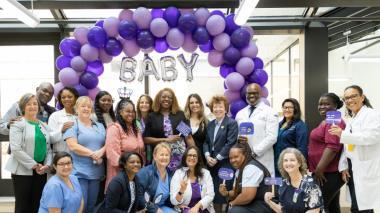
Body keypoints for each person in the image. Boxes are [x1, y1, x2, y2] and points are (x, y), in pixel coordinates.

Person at [329, 85, 380, 212]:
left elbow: (371, 137)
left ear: (362, 97)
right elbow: (348, 146)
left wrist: (342, 134)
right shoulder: (352, 118)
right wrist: (344, 165)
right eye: (346, 98)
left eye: (353, 96)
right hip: (353, 167)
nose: (350, 100)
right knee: (357, 206)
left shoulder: (372, 115)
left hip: (365, 167)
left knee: (362, 207)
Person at [5, 93, 54, 213]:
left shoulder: (43, 125)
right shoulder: (17, 123)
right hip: (22, 170)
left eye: (35, 103)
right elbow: (16, 149)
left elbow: (48, 148)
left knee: (37, 204)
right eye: (29, 104)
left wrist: (47, 165)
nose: (33, 106)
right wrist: (34, 165)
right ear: (22, 107)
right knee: (22, 206)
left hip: (41, 170)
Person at [63, 96, 106, 213]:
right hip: (79, 172)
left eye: (88, 106)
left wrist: (101, 152)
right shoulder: (72, 125)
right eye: (83, 106)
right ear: (76, 108)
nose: (86, 108)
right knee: (80, 205)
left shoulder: (100, 126)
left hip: (96, 173)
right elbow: (72, 145)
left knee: (92, 206)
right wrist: (94, 154)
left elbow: (108, 143)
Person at [308, 93, 345, 213]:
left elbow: (333, 146)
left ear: (335, 106)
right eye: (320, 104)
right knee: (332, 207)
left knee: (318, 207)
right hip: (326, 173)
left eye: (326, 104)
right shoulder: (327, 120)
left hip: (327, 173)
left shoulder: (334, 119)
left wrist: (319, 169)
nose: (322, 107)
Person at [143, 88, 195, 171]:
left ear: (173, 100)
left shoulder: (179, 115)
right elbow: (146, 139)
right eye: (164, 97)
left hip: (179, 157)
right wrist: (166, 140)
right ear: (159, 99)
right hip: (161, 157)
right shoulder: (152, 116)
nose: (166, 99)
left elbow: (188, 137)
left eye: (170, 97)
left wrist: (195, 153)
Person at [235, 83, 279, 176]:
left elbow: (272, 137)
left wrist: (254, 152)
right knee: (246, 186)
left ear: (261, 94)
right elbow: (238, 134)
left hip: (262, 158)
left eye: (255, 93)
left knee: (264, 188)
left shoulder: (270, 112)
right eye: (248, 93)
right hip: (244, 158)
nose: (251, 95)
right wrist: (239, 141)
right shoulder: (240, 113)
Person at [203, 95, 238, 213]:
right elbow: (206, 142)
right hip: (210, 164)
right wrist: (207, 156)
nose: (217, 109)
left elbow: (230, 143)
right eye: (215, 107)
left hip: (224, 163)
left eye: (220, 107)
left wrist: (216, 158)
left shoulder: (231, 123)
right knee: (213, 192)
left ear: (226, 109)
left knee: (223, 192)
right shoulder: (210, 124)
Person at [264, 148, 323, 213]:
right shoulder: (283, 183)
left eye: (292, 160)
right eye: (285, 160)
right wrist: (269, 202)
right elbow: (283, 210)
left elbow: (315, 210)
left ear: (299, 163)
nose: (288, 163)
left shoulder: (310, 185)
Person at [219, 142, 272, 213]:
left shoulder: (251, 167)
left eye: (236, 157)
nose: (232, 160)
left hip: (265, 204)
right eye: (230, 158)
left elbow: (247, 197)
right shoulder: (239, 170)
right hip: (254, 203)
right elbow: (236, 192)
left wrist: (232, 204)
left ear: (245, 155)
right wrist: (227, 193)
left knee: (234, 211)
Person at [105, 98, 145, 189]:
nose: (131, 114)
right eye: (127, 111)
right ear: (120, 112)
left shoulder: (135, 129)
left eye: (133, 111)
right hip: (119, 175)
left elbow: (140, 150)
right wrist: (128, 168)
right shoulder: (114, 128)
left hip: (135, 174)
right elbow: (112, 155)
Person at [170, 146, 215, 213]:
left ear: (198, 159)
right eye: (189, 155)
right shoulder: (178, 174)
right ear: (185, 157)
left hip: (203, 208)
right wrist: (181, 191)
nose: (192, 158)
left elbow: (210, 195)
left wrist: (197, 206)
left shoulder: (206, 173)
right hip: (186, 209)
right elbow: (173, 201)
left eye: (194, 156)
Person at [136, 143, 176, 213]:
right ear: (154, 156)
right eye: (161, 155)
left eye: (167, 155)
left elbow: (170, 197)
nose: (164, 157)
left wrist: (177, 204)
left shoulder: (170, 174)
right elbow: (139, 195)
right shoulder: (145, 172)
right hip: (145, 209)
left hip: (163, 207)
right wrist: (154, 209)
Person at [274, 98, 308, 177]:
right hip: (277, 164)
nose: (287, 109)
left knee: (290, 188)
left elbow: (302, 148)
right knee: (278, 188)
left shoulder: (300, 125)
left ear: (295, 109)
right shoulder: (279, 124)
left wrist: (300, 168)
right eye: (285, 107)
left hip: (291, 166)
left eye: (290, 107)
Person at [48, 87, 79, 154]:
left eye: (70, 97)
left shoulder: (80, 116)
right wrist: (61, 131)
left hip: (79, 156)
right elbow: (49, 139)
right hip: (61, 157)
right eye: (63, 97)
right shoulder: (55, 115)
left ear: (76, 98)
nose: (66, 99)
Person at [184, 94, 208, 163]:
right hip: (185, 156)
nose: (194, 105)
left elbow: (207, 142)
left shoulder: (206, 122)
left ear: (200, 104)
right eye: (191, 103)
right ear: (188, 105)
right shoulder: (183, 119)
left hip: (201, 158)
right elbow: (187, 137)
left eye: (197, 102)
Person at [136, 94, 153, 164]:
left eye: (147, 103)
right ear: (138, 104)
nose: (144, 104)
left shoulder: (154, 118)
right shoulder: (134, 118)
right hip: (138, 149)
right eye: (142, 102)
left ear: (151, 105)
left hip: (152, 148)